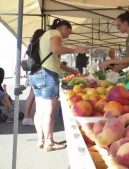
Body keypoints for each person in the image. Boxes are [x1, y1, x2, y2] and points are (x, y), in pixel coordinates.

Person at [28, 19, 86, 151]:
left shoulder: (45, 36)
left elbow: (52, 58)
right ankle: (49, 142)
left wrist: (72, 71)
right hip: (47, 75)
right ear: (63, 27)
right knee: (49, 110)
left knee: (40, 109)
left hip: (36, 74)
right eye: (68, 32)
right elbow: (56, 49)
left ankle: (41, 140)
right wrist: (75, 49)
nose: (67, 36)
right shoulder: (55, 33)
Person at [22, 29, 46, 126]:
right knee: (38, 97)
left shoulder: (31, 44)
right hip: (39, 72)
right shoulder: (40, 44)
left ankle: (26, 117)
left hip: (32, 73)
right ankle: (33, 117)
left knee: (32, 96)